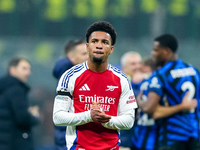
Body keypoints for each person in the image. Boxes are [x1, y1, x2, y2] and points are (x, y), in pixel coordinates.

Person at [53, 21, 137, 150]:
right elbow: (58, 117)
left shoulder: (122, 79)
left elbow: (129, 121)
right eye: (94, 41)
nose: (99, 46)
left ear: (111, 49)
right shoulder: (69, 76)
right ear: (87, 47)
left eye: (105, 42)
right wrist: (89, 116)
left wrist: (107, 120)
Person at [140, 34, 200, 150]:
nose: (153, 53)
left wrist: (139, 101)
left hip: (172, 137)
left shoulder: (160, 75)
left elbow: (150, 109)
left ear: (166, 51)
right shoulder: (194, 70)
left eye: (156, 50)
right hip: (195, 134)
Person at [131, 57, 197, 150]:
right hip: (154, 140)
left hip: (138, 138)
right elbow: (154, 112)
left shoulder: (143, 83)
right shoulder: (160, 86)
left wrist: (139, 101)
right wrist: (182, 106)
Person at [53, 38, 88, 150]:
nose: (89, 57)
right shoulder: (69, 79)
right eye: (84, 54)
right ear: (72, 58)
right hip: (72, 138)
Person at [0, 57, 40, 150]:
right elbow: (22, 118)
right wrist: (34, 116)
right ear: (13, 70)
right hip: (16, 142)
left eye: (29, 69)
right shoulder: (16, 89)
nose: (28, 73)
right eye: (24, 69)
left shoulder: (4, 88)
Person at [119, 51, 143, 149]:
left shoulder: (145, 81)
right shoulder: (119, 81)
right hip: (123, 141)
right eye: (133, 64)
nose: (137, 66)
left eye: (139, 63)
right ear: (124, 67)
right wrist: (135, 83)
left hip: (139, 140)